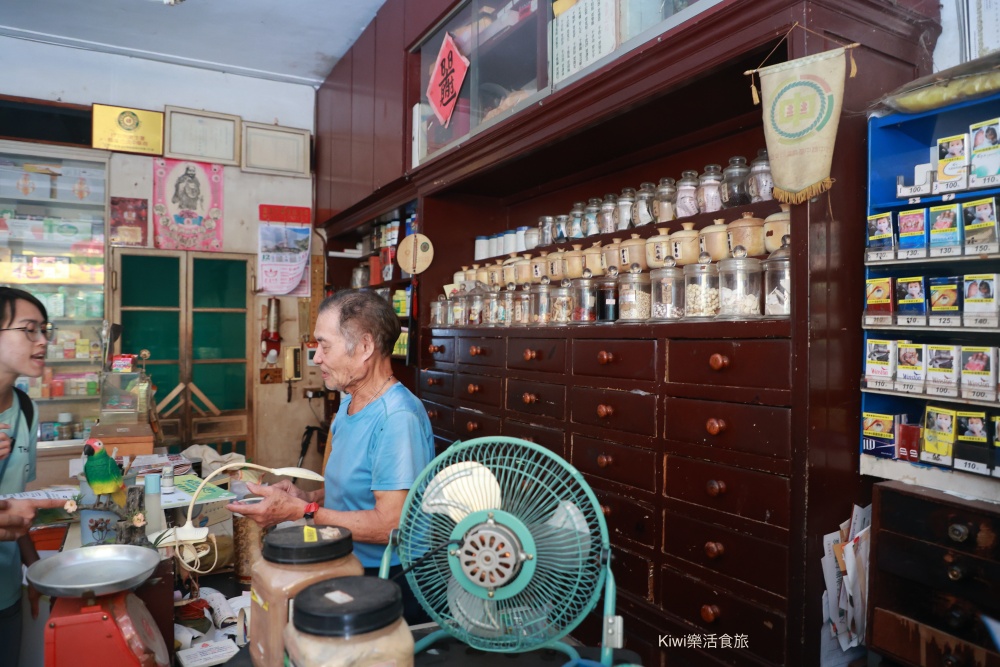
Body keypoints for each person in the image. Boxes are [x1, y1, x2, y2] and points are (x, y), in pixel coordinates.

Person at [228, 289, 434, 623]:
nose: (317, 358)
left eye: (325, 346)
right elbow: (359, 487)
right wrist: (306, 495)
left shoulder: (397, 417)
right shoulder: (349, 404)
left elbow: (391, 525)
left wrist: (303, 511)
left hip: (388, 579)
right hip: (346, 559)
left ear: (365, 347)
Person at [0, 287, 58, 665]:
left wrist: (34, 572)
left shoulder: (25, 408)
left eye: (44, 330)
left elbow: (16, 504)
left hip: (6, 593)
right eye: (29, 330)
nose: (42, 341)